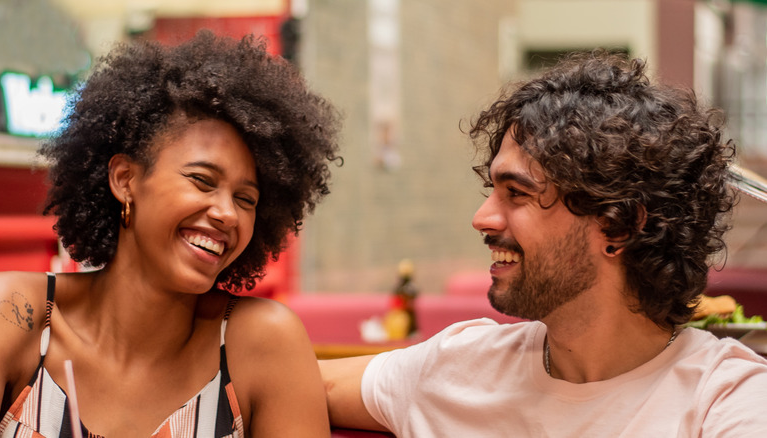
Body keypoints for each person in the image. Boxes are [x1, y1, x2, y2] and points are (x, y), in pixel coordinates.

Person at [320, 51, 767, 437]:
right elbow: (299, 385)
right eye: (492, 191)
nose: (482, 218)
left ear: (619, 225)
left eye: (517, 193)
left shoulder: (724, 401)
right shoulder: (457, 367)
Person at [0, 30, 340, 437]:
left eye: (246, 199)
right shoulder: (9, 317)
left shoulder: (262, 344)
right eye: (202, 180)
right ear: (125, 179)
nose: (227, 213)